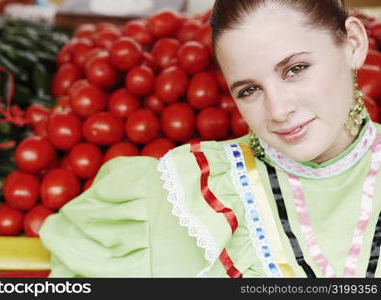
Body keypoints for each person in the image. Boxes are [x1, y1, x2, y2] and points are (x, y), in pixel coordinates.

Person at [39, 0, 381, 278]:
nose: (278, 110)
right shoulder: (181, 195)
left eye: (296, 69)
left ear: (353, 43)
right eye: (249, 90)